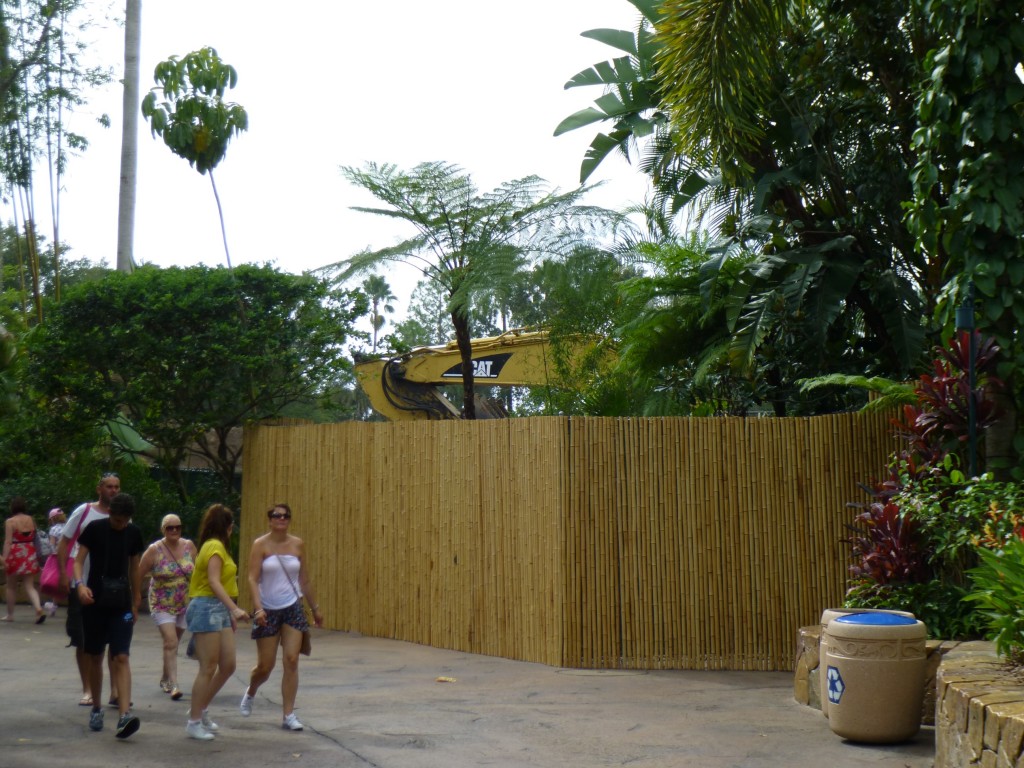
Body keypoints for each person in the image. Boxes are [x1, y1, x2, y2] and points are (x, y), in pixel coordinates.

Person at [241, 503, 323, 731]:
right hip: (268, 608)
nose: (281, 519)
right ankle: (251, 691)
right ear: (269, 519)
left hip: (292, 606)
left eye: (286, 515)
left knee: (292, 659)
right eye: (276, 515)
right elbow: (252, 578)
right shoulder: (260, 545)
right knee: (265, 666)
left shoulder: (297, 544)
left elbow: (304, 579)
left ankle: (288, 715)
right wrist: (258, 608)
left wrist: (315, 607)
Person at [73, 492, 144, 739]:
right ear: (110, 514)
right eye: (117, 521)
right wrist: (80, 585)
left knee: (121, 656)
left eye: (125, 521)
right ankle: (96, 707)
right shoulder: (94, 528)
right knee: (95, 656)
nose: (121, 525)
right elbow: (78, 560)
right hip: (94, 601)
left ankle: (124, 715)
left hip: (121, 603)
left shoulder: (133, 533)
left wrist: (136, 599)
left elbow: (135, 567)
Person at [57, 472, 123, 707]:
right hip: (82, 584)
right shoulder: (84, 512)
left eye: (116, 487)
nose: (113, 491)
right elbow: (64, 542)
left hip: (113, 588)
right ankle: (87, 689)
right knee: (83, 640)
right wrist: (65, 575)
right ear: (99, 489)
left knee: (115, 642)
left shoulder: (124, 516)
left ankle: (116, 691)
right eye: (108, 486)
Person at [185, 503, 250, 741]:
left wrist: (228, 612)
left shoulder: (218, 547)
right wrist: (234, 609)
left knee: (228, 664)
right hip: (207, 606)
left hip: (218, 609)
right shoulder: (214, 546)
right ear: (228, 527)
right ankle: (193, 720)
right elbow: (213, 581)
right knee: (209, 666)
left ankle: (199, 708)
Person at [138, 513, 196, 700]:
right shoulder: (154, 550)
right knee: (170, 641)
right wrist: (134, 598)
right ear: (163, 530)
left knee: (173, 643)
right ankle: (174, 684)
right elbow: (138, 574)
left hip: (184, 602)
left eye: (177, 527)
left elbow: (199, 572)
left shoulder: (189, 546)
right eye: (170, 528)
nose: (174, 531)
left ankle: (165, 677)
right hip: (161, 603)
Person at [2, 496, 45, 623]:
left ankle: (10, 615)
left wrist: (4, 559)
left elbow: (8, 541)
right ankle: (38, 608)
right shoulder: (31, 519)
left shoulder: (10, 522)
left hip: (16, 553)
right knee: (30, 586)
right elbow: (36, 537)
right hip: (30, 551)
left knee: (11, 586)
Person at [42, 508, 67, 617]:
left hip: (57, 557)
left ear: (52, 518)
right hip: (70, 556)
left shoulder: (54, 529)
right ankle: (54, 605)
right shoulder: (68, 527)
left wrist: (50, 554)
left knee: (53, 580)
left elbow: (52, 545)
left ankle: (52, 605)